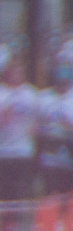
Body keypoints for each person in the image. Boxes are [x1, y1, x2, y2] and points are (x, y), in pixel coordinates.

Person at [0, 47, 44, 231]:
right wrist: (0, 116)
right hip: (0, 149)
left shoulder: (31, 94)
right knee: (3, 187)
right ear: (5, 73)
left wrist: (36, 128)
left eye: (19, 71)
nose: (17, 74)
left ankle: (13, 222)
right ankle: (4, 221)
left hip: (22, 148)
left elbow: (39, 120)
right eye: (13, 71)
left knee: (18, 187)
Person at [38, 59, 73, 197]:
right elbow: (36, 124)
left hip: (69, 148)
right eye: (59, 81)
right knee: (51, 192)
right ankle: (52, 218)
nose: (62, 85)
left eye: (65, 82)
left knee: (68, 192)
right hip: (49, 149)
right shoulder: (44, 97)